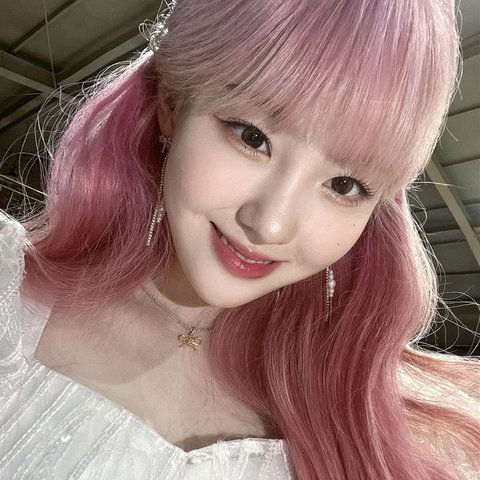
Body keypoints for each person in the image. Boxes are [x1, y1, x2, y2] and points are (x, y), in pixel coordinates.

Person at [0, 0, 479, 478]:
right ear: (172, 104)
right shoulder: (9, 294)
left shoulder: (407, 436)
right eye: (252, 137)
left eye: (344, 185)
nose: (270, 226)